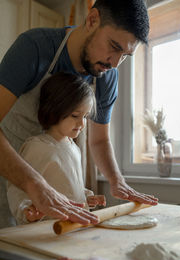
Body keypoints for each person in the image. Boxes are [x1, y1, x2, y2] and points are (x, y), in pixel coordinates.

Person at [0, 0, 158, 228]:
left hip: (56, 202)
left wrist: (116, 180)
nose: (115, 63)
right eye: (114, 46)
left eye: (125, 55)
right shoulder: (34, 48)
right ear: (92, 20)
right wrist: (35, 184)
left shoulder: (107, 75)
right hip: (8, 181)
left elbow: (100, 140)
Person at [7, 72, 106, 224]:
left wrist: (86, 197)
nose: (82, 124)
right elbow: (17, 189)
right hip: (48, 230)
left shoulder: (74, 149)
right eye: (75, 115)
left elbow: (69, 186)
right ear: (54, 109)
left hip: (73, 229)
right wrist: (26, 210)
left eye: (85, 116)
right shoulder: (37, 147)